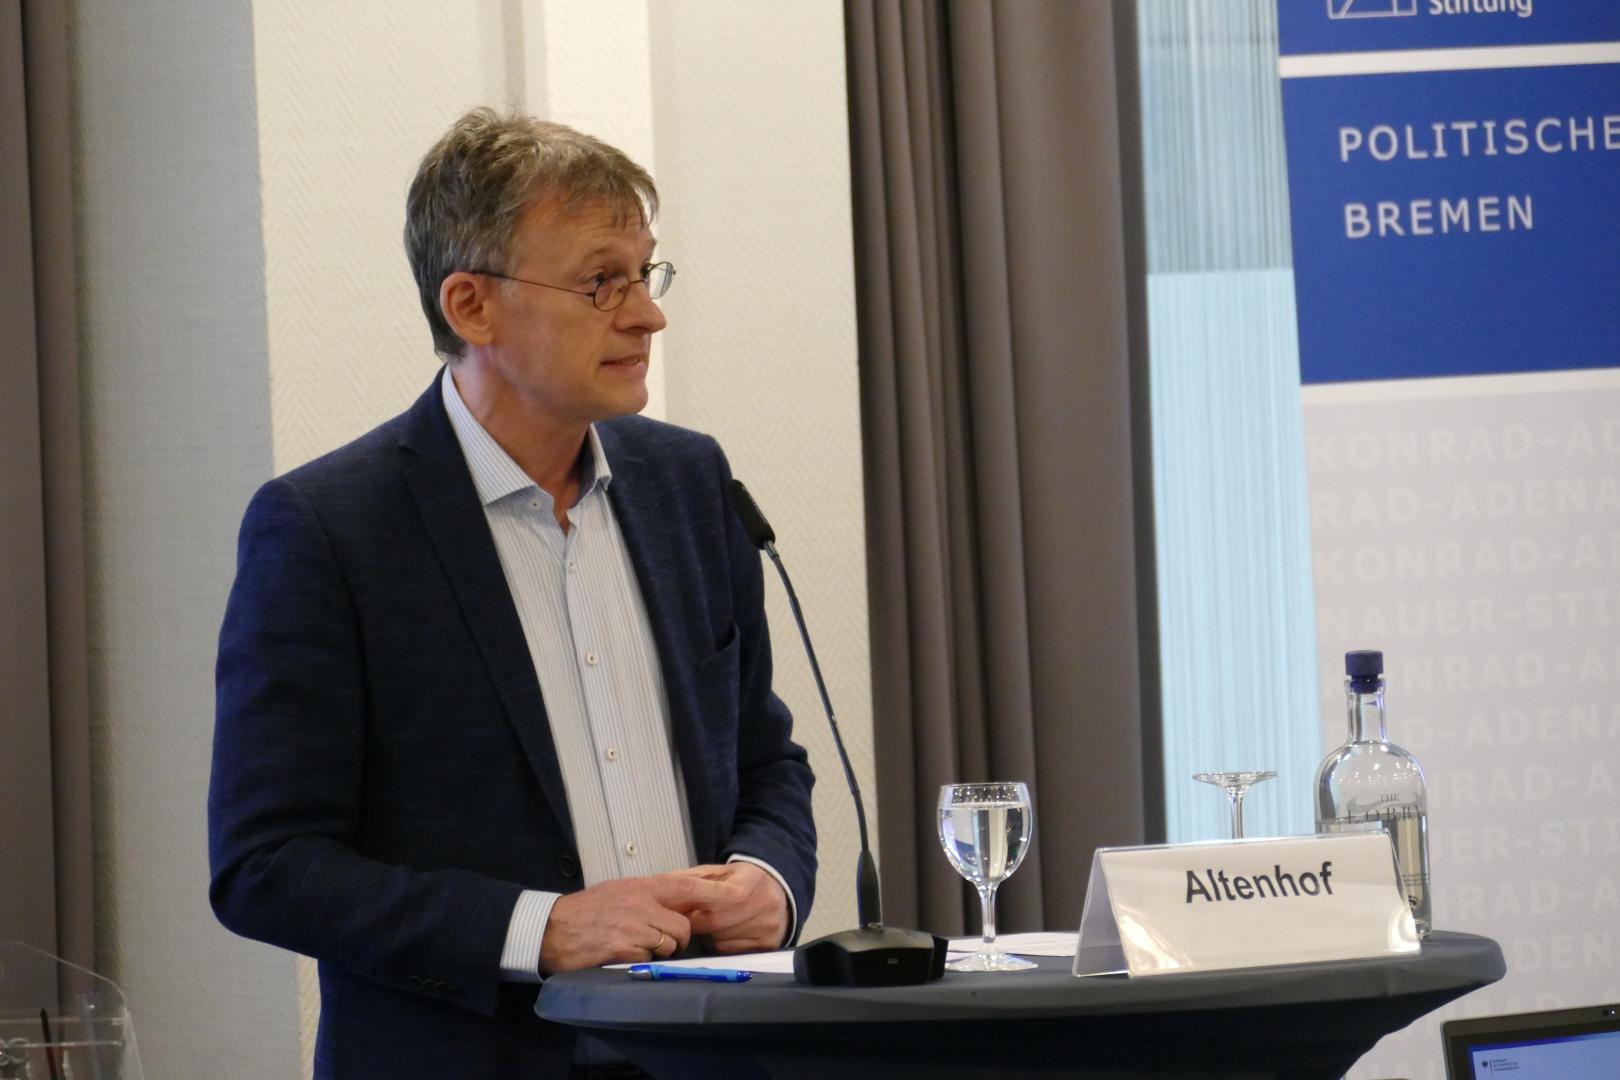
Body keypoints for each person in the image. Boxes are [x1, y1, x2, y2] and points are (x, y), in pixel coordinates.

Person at [208, 108, 817, 1079]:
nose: (647, 315)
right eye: (602, 281)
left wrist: (768, 879)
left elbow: (764, 758)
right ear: (471, 306)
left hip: (707, 1052)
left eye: (646, 273)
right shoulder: (328, 529)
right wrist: (541, 929)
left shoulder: (690, 483)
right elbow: (266, 865)